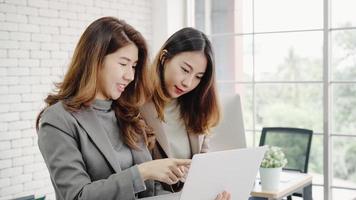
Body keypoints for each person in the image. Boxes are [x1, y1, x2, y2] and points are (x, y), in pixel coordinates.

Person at [36, 17, 192, 200]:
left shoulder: (129, 114)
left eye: (134, 66)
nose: (130, 76)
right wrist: (141, 173)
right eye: (123, 64)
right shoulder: (57, 120)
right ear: (95, 59)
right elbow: (77, 196)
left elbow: (151, 192)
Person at [140, 27, 222, 192]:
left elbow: (204, 166)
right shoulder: (135, 105)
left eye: (198, 77)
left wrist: (213, 191)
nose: (188, 83)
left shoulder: (195, 107)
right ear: (164, 58)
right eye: (185, 70)